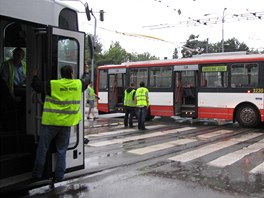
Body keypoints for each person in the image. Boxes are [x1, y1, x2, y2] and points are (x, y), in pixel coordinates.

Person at [31, 65, 89, 182]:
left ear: (61, 74)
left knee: (43, 148)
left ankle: (37, 174)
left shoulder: (53, 84)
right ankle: (59, 176)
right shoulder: (77, 84)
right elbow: (86, 81)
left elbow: (37, 86)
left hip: (50, 122)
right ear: (72, 74)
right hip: (66, 124)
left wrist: (34, 75)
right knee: (61, 151)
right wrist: (86, 71)